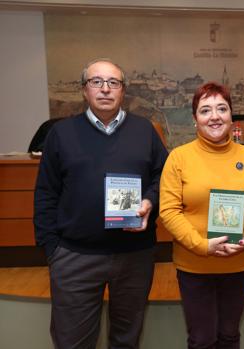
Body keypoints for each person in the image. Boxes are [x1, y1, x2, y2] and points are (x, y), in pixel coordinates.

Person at [33, 58, 169, 348]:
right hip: (74, 257)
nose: (105, 89)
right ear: (85, 90)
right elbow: (45, 193)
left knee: (126, 340)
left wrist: (149, 200)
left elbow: (164, 177)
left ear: (123, 91)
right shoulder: (61, 133)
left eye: (113, 83)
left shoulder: (145, 131)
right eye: (96, 82)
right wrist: (51, 251)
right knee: (72, 342)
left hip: (135, 256)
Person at [159, 82, 244, 349]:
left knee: (229, 336)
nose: (214, 116)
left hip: (239, 263)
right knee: (202, 340)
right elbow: (168, 210)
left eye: (221, 108)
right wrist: (201, 245)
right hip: (194, 265)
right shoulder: (178, 158)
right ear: (195, 119)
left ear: (231, 116)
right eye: (205, 110)